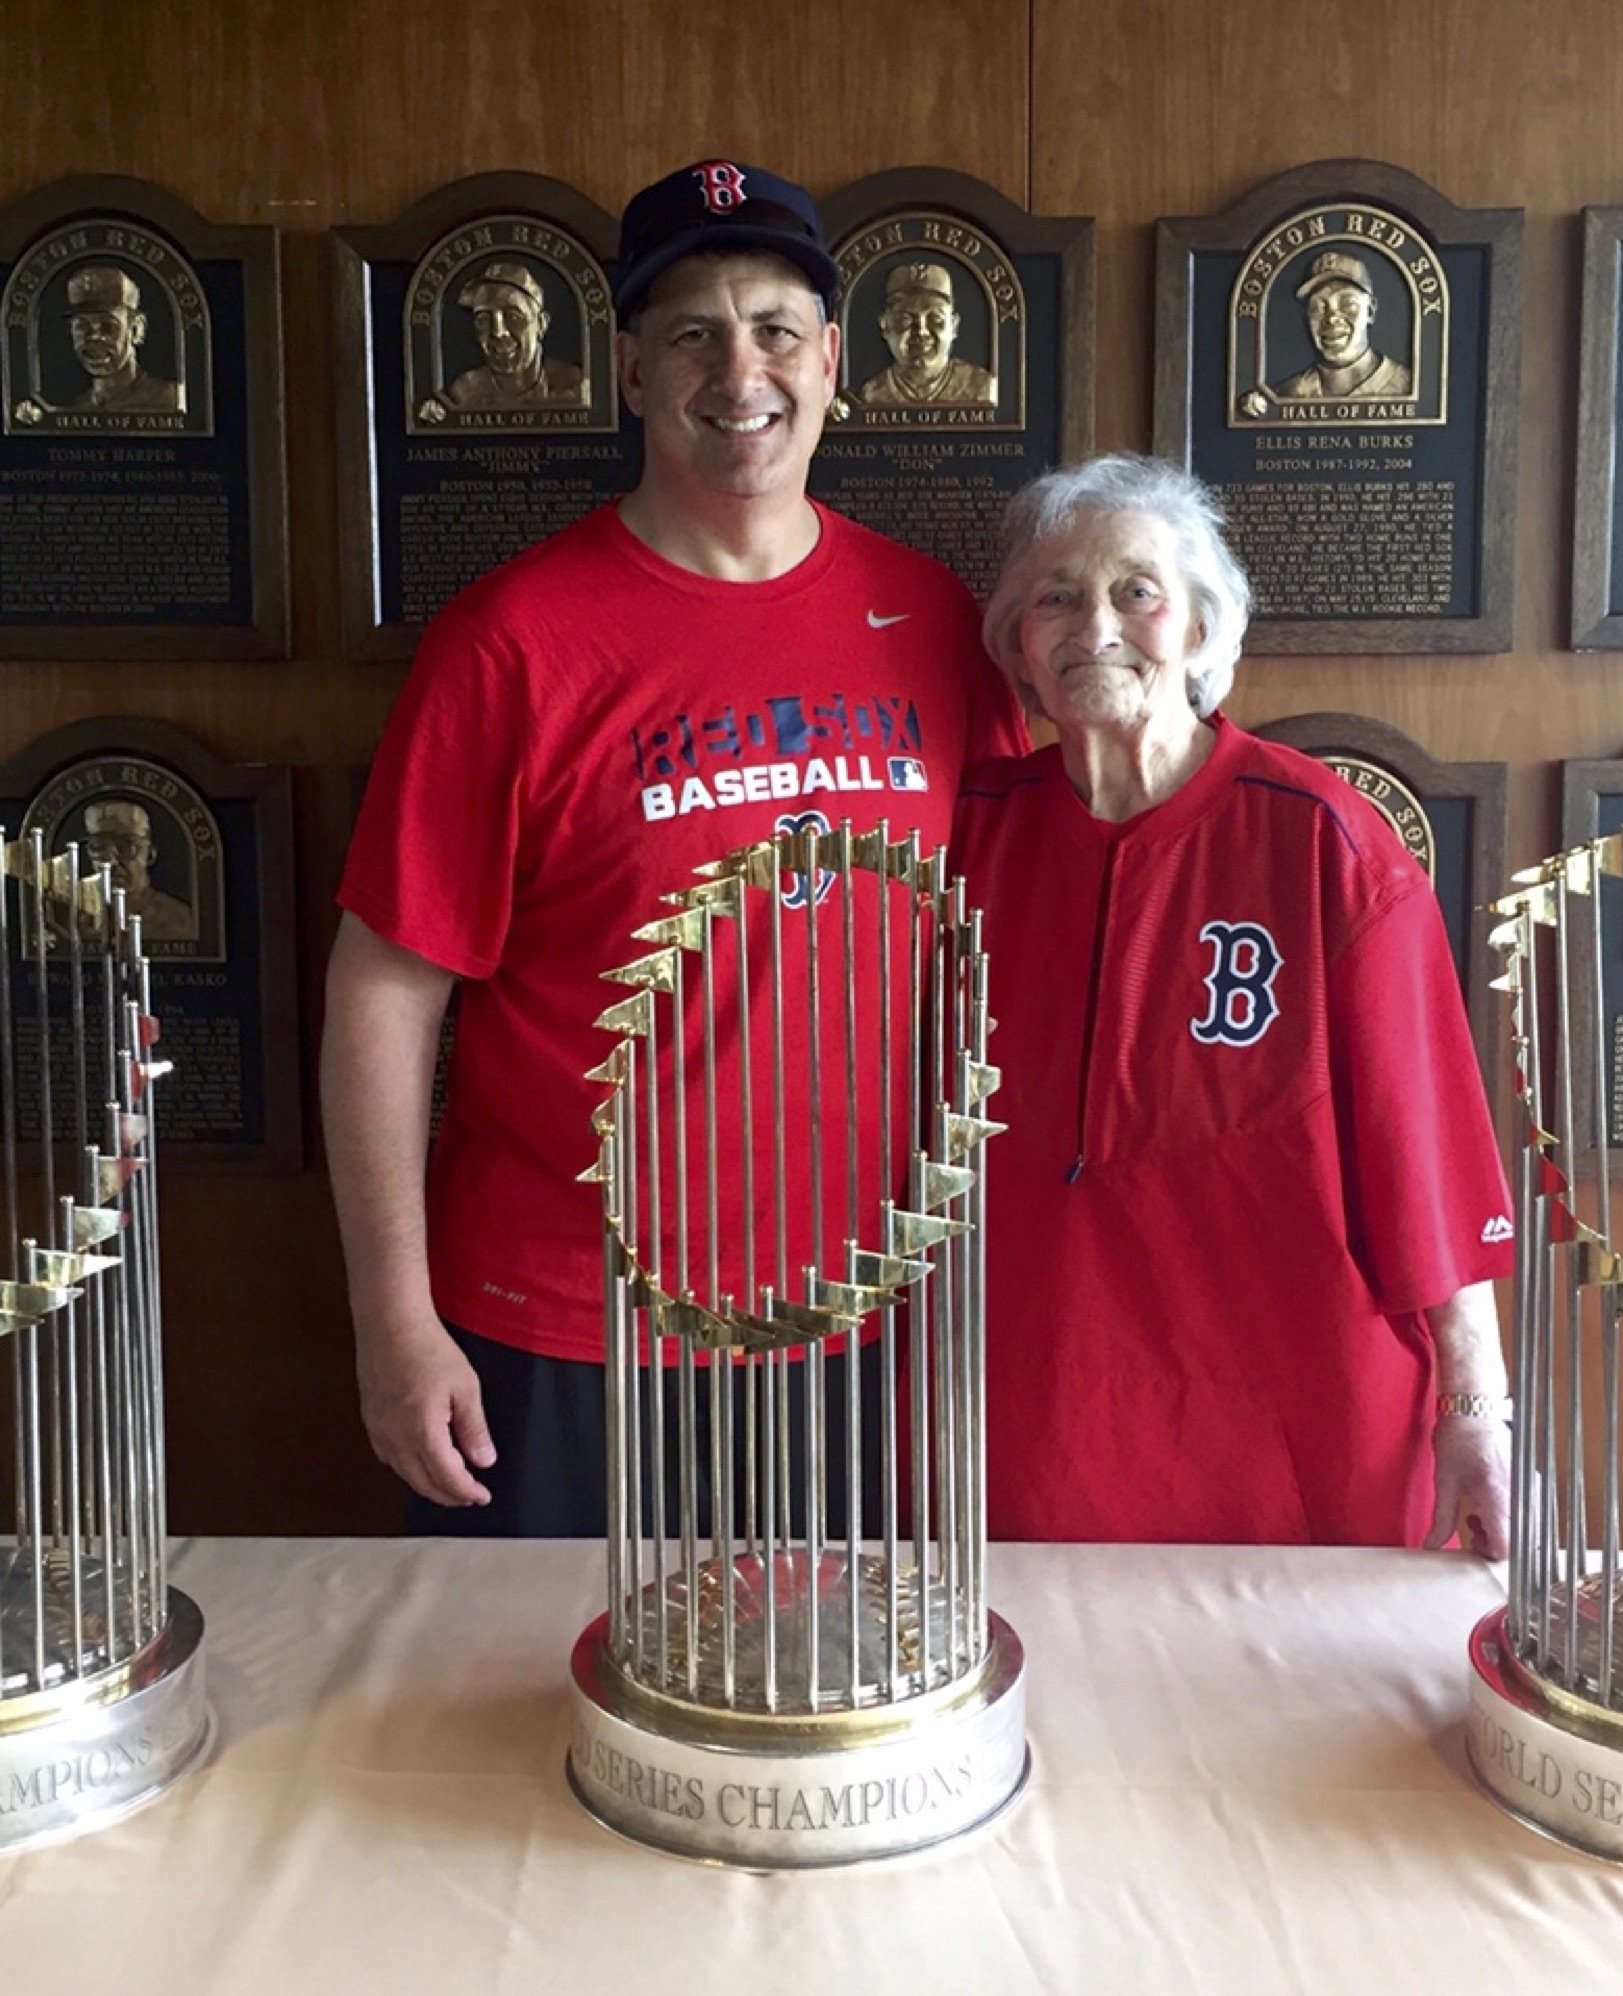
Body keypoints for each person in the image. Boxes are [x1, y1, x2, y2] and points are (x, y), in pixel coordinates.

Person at [323, 159, 1028, 1535]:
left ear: (831, 361)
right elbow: (384, 988)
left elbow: (1026, 918)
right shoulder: (512, 643)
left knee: (809, 1732)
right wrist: (389, 1320)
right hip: (558, 1331)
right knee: (515, 1732)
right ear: (633, 375)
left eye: (772, 326)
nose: (738, 368)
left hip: (858, 1317)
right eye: (692, 332)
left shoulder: (937, 622)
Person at [955, 453, 1513, 1551]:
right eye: (1056, 599)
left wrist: (1478, 1411)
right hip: (1024, 1426)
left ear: (1204, 633)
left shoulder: (1327, 840)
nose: (1094, 626)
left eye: (1136, 593)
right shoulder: (964, 837)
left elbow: (1428, 1164)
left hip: (1291, 1437)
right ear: (1019, 645)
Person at [442, 260, 586, 410]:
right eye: (483, 319)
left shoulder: (575, 388)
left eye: (513, 317)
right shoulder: (463, 394)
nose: (498, 332)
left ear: (541, 324)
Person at [851, 262, 998, 407]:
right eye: (905, 319)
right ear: (884, 325)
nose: (921, 331)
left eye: (935, 319)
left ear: (954, 326)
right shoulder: (871, 394)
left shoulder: (980, 386)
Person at [1277, 251, 1413, 400]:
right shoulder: (1287, 393)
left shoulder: (1406, 386)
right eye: (1319, 306)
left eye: (1347, 304)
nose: (1332, 318)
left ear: (1370, 310)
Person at [63, 266, 185, 414]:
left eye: (108, 326)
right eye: (82, 326)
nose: (94, 337)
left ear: (136, 330)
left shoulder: (171, 399)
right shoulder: (79, 407)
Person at [81, 798, 196, 942]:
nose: (110, 861)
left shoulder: (179, 919)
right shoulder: (77, 921)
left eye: (127, 846)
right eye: (98, 845)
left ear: (149, 854)